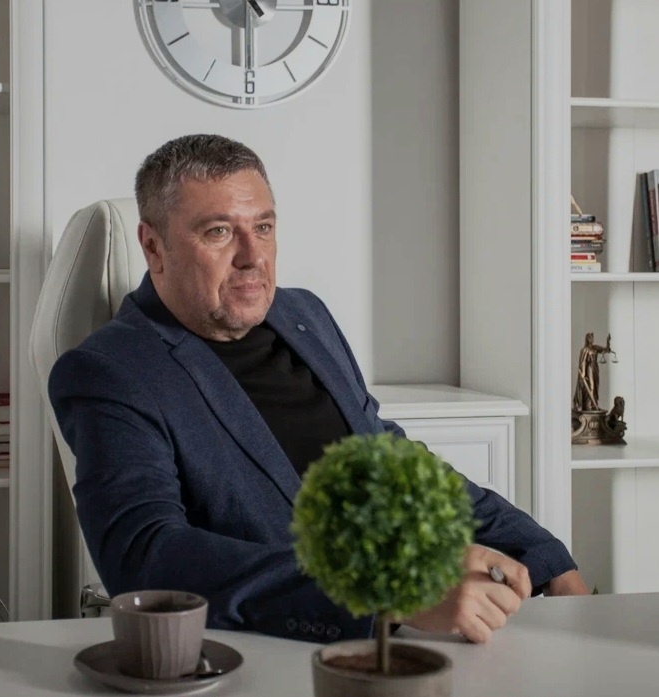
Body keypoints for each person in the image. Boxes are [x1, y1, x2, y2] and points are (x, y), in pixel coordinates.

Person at [49, 134, 589, 645]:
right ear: (154, 247)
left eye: (263, 227)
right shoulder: (110, 371)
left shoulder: (302, 314)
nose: (252, 255)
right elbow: (145, 555)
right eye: (218, 232)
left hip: (406, 639)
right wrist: (390, 594)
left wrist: (542, 554)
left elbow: (391, 462)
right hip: (269, 649)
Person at [573, 332, 612, 412]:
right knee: (591, 386)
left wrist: (608, 342)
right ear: (587, 339)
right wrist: (583, 373)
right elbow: (582, 362)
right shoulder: (584, 350)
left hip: (595, 368)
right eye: (590, 338)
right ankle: (588, 406)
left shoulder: (595, 348)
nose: (591, 340)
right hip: (589, 369)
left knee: (596, 387)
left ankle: (594, 405)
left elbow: (606, 350)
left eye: (592, 338)